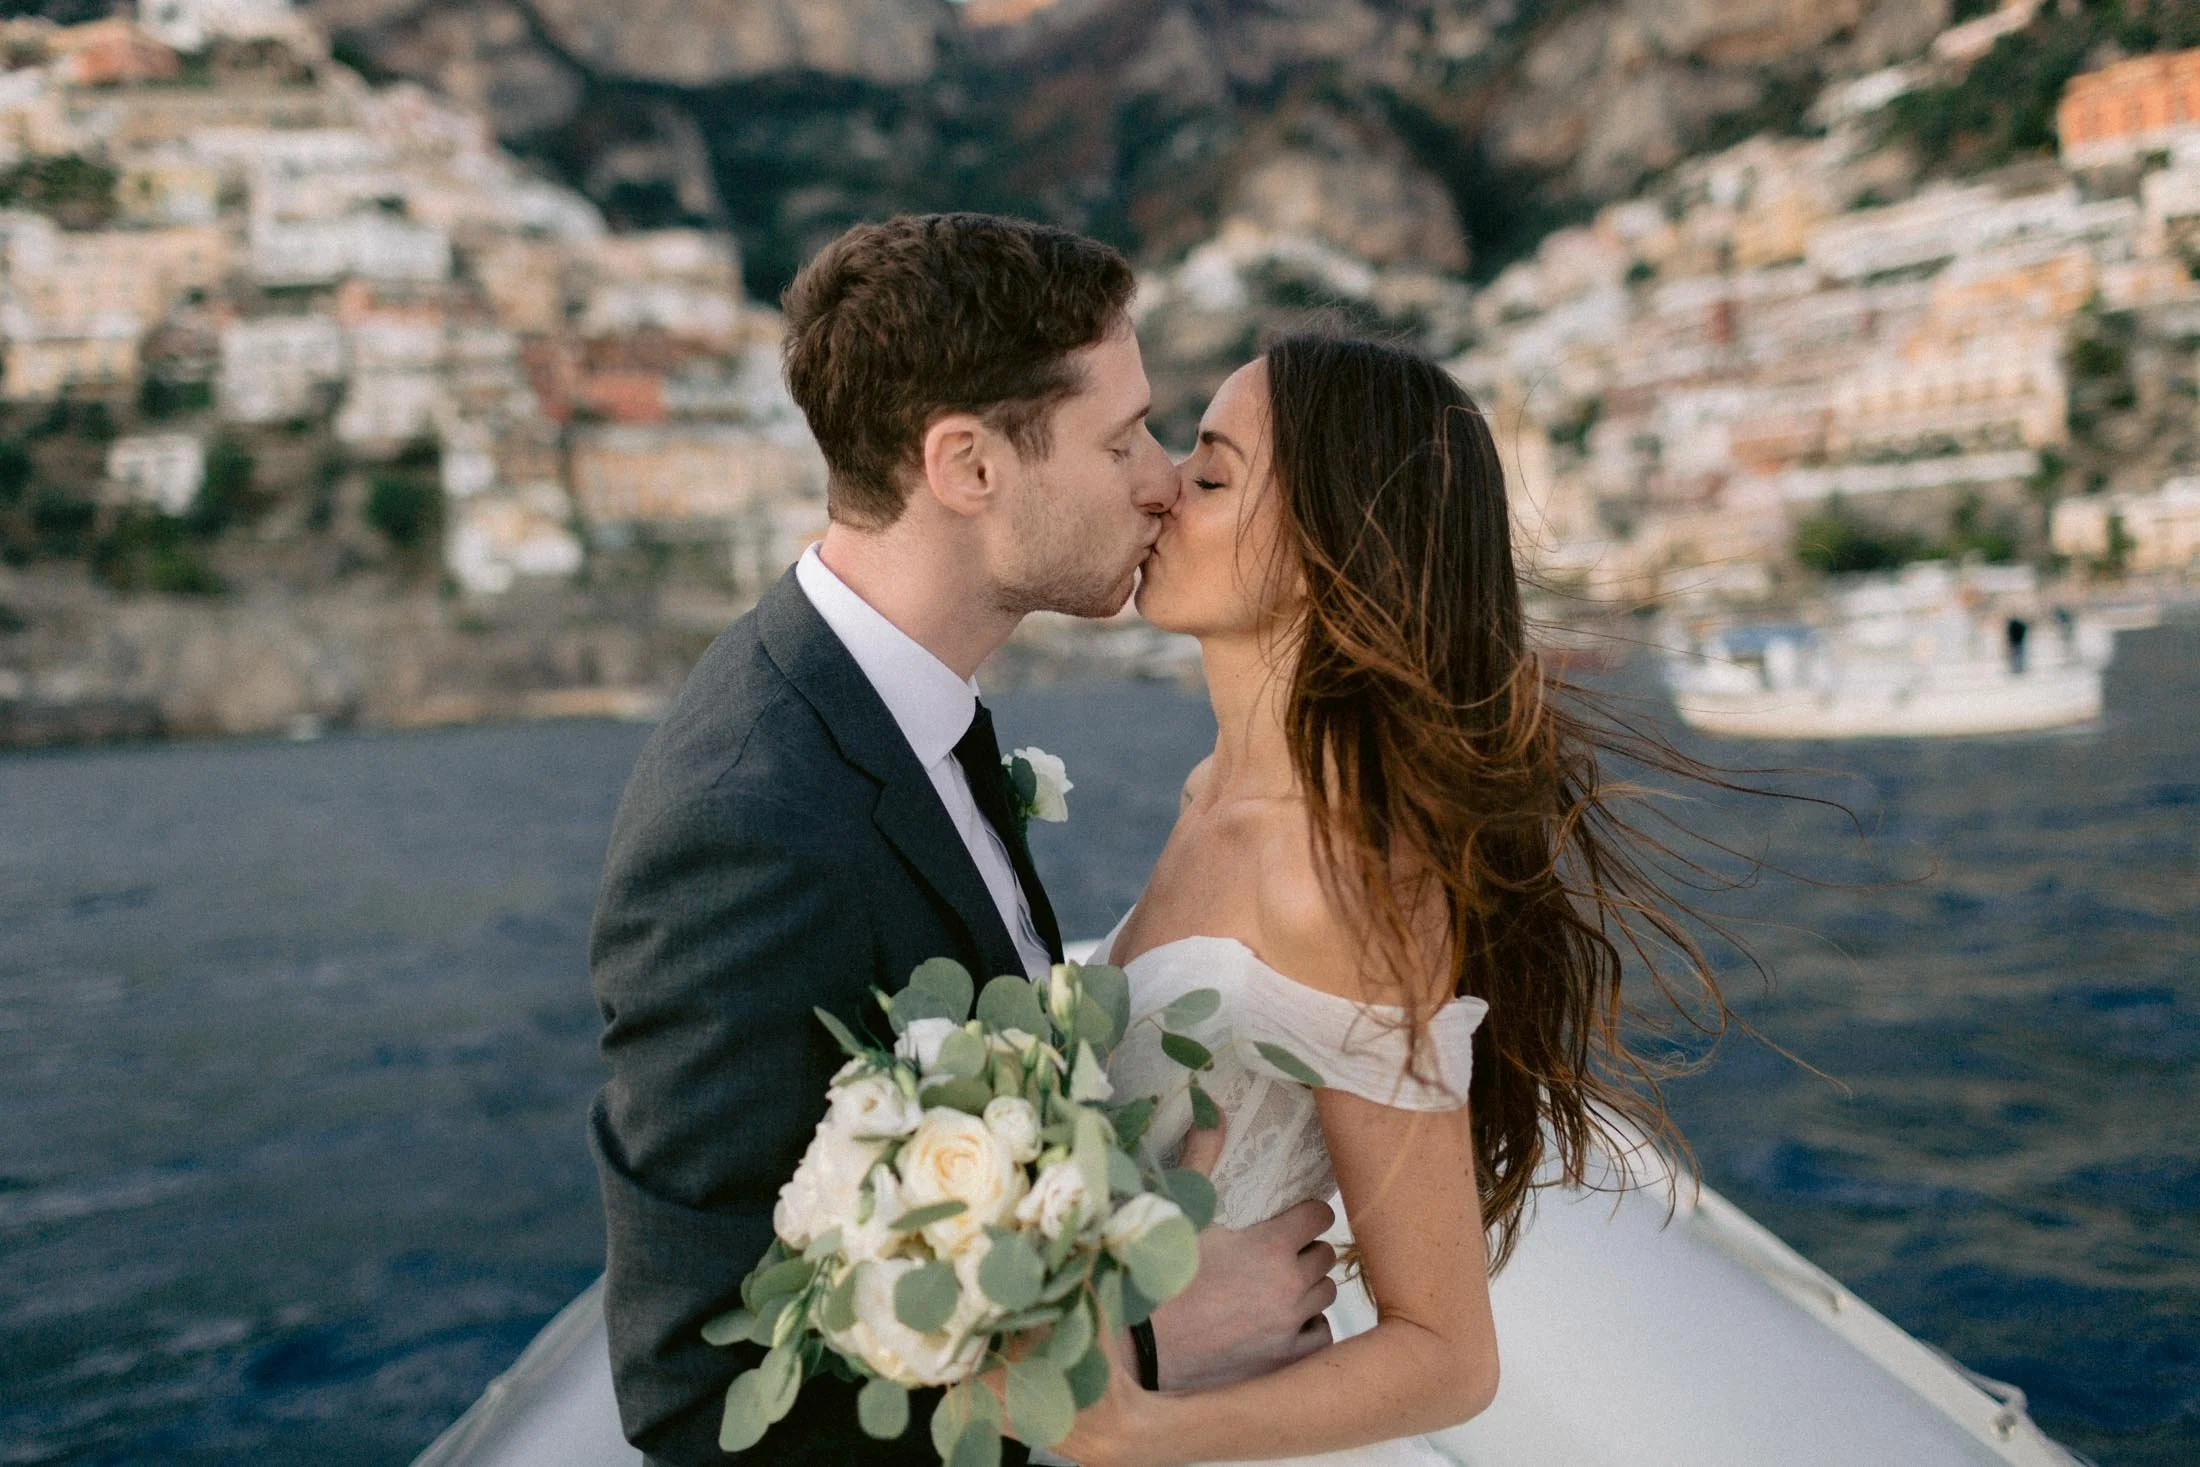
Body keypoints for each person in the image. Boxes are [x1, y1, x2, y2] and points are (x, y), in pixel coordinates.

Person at [585, 215, 1340, 1467]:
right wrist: (1136, 1347)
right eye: (1120, 439)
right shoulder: (748, 831)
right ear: (967, 466)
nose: (1162, 479)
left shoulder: (895, 710)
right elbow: (692, 1396)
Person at [1041, 336, 1740, 1466]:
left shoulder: (1340, 873)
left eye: (1212, 475)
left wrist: (1141, 1426)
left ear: (1328, 551)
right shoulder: (1213, 793)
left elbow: (1448, 1354)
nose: (1163, 486)